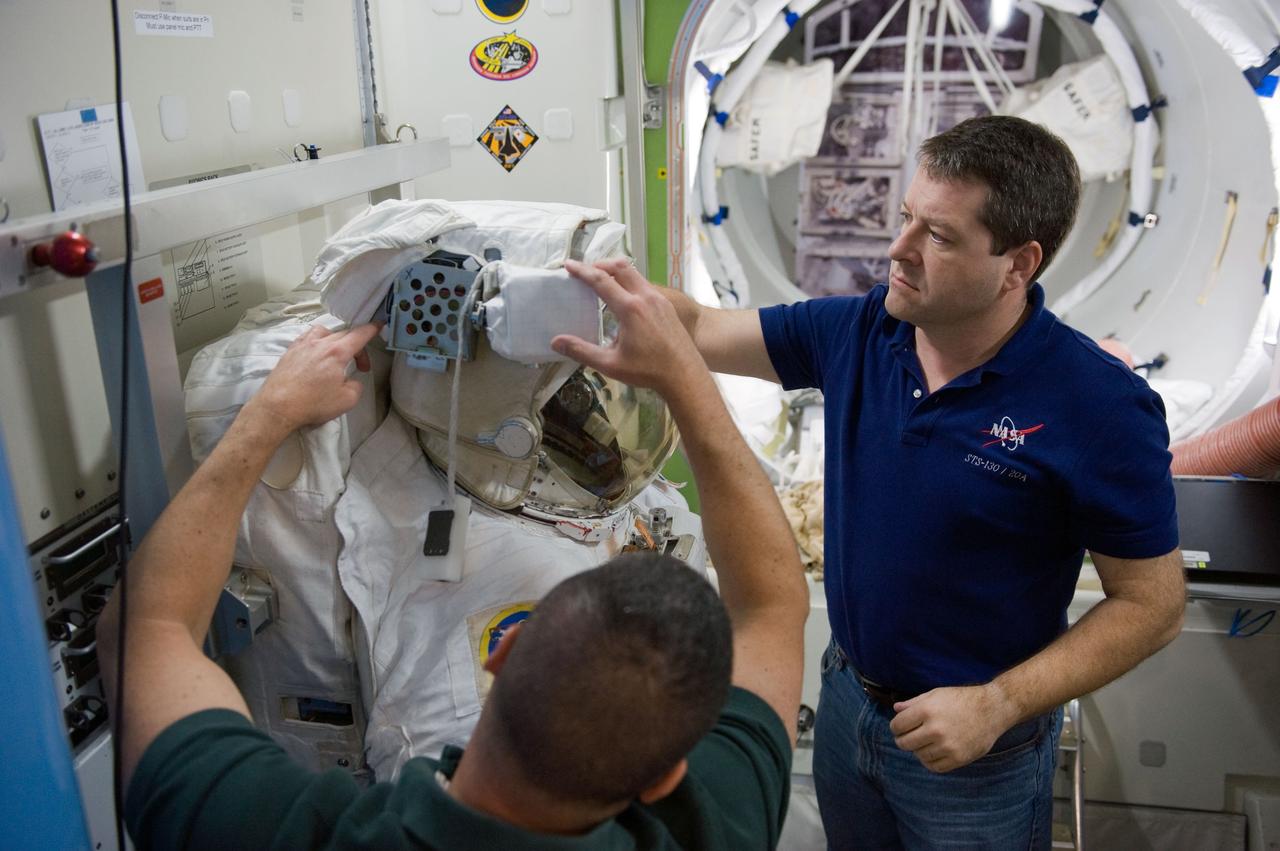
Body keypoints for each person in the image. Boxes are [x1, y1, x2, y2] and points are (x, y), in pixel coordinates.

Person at [99, 261, 810, 849]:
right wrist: (688, 375)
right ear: (666, 778)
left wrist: (268, 418)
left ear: (504, 652)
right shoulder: (717, 827)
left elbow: (143, 630)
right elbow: (773, 602)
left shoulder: (282, 832)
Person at [641, 114, 1188, 849]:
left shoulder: (1097, 405)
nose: (896, 251)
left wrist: (997, 704)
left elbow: (1153, 605)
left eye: (938, 235)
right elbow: (701, 329)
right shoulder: (866, 329)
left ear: (1018, 265)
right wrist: (597, 281)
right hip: (848, 704)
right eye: (905, 218)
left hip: (978, 753)